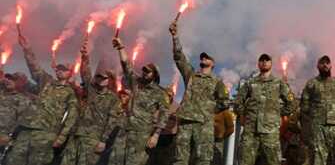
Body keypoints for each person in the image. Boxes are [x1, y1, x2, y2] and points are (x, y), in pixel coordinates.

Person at [5, 31, 79, 165]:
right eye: (58, 69)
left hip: (46, 133)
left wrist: (61, 137)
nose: (60, 71)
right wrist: (27, 49)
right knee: (13, 160)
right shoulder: (46, 81)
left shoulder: (70, 93)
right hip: (26, 129)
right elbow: (35, 67)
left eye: (64, 69)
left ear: (70, 73)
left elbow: (71, 117)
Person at [169, 21, 229, 165]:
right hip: (185, 122)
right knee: (180, 159)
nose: (203, 59)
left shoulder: (217, 81)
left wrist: (208, 111)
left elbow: (224, 102)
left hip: (204, 124)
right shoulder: (191, 75)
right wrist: (175, 36)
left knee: (203, 160)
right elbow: (179, 58)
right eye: (202, 57)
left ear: (213, 63)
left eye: (207, 57)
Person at [60, 37, 121, 165]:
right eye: (98, 77)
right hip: (76, 135)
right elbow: (85, 73)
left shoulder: (112, 98)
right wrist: (85, 57)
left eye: (103, 78)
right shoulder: (91, 91)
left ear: (108, 80)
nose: (100, 80)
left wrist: (103, 140)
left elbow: (111, 121)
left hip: (93, 139)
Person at [112, 33, 170, 165]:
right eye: (143, 70)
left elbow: (164, 115)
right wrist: (121, 48)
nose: (144, 72)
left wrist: (156, 135)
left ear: (154, 75)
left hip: (141, 134)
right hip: (125, 129)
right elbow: (126, 65)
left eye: (148, 71)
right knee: (114, 161)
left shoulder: (160, 93)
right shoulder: (136, 82)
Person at [234, 54, 296, 165]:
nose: (264, 62)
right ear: (258, 64)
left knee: (273, 162)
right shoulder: (250, 83)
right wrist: (242, 115)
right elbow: (238, 101)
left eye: (267, 60)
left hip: (270, 132)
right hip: (251, 132)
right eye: (261, 60)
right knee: (244, 161)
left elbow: (291, 102)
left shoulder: (278, 83)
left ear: (271, 64)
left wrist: (279, 114)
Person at [300, 55, 335, 165]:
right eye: (322, 63)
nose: (325, 65)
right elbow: (304, 106)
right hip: (319, 128)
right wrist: (315, 117)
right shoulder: (312, 83)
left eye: (327, 63)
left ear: (331, 66)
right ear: (317, 66)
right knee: (318, 159)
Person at [0, 72, 32, 151]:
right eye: (7, 78)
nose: (8, 81)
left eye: (12, 80)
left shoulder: (23, 100)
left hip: (5, 139)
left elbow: (22, 122)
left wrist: (9, 136)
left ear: (20, 83)